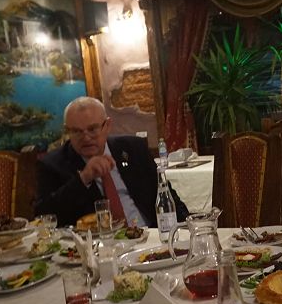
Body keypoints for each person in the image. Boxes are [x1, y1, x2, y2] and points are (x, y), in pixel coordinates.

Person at [35, 96, 189, 227]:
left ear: (107, 126)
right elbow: (44, 217)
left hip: (151, 236)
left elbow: (166, 195)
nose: (86, 137)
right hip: (99, 246)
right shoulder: (53, 164)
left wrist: (188, 228)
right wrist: (83, 179)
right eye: (76, 131)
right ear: (67, 131)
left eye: (92, 129)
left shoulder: (133, 148)